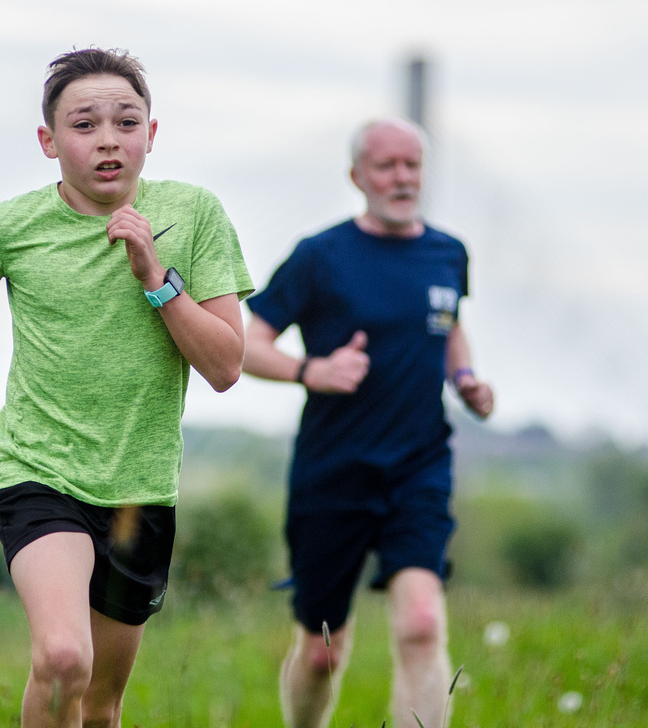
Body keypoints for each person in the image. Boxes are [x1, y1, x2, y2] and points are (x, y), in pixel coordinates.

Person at [0, 48, 253, 728]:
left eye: (127, 122)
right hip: (40, 472)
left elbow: (225, 367)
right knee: (65, 657)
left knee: (99, 702)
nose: (108, 139)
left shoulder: (193, 216)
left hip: (140, 488)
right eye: (84, 124)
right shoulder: (6, 226)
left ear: (151, 135)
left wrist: (156, 278)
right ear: (49, 141)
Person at [242, 118, 494, 728]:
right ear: (358, 176)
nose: (402, 177)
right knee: (323, 651)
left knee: (421, 625)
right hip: (334, 472)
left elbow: (447, 322)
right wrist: (312, 370)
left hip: (419, 465)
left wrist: (464, 380)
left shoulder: (448, 252)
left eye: (412, 165)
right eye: (387, 165)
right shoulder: (319, 257)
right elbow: (246, 345)